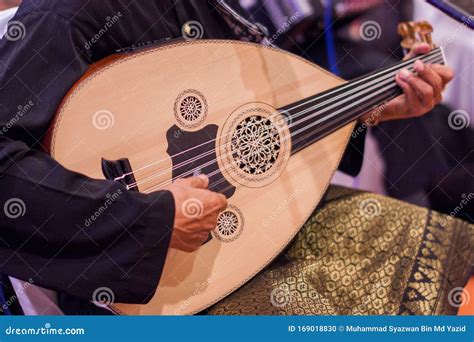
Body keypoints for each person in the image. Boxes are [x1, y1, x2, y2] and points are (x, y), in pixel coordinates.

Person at [0, 0, 469, 315]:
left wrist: (367, 108)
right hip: (145, 284)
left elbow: (254, 128)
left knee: (452, 250)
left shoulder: (207, 7)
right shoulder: (69, 13)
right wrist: (153, 219)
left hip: (254, 229)